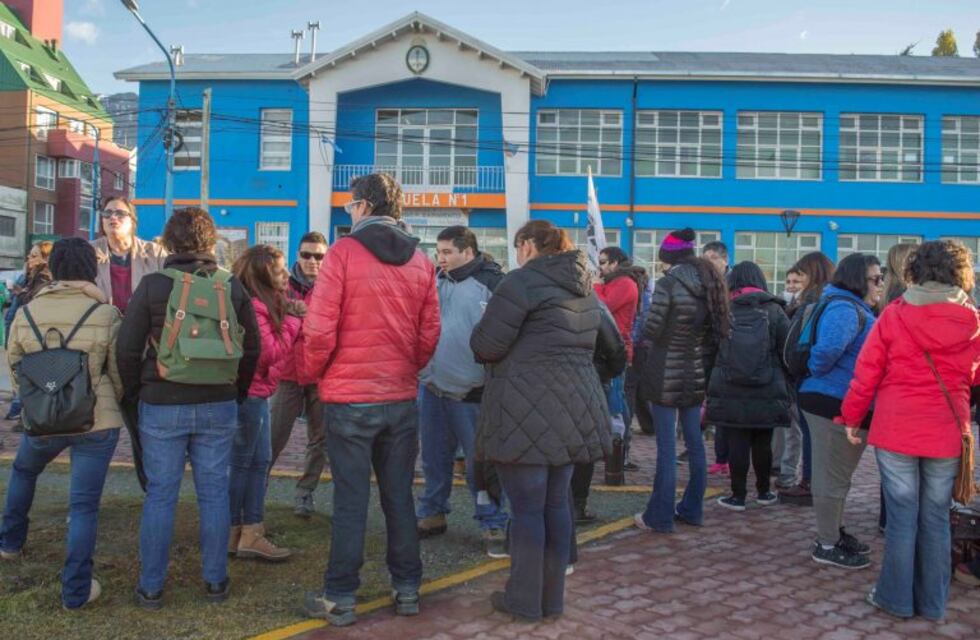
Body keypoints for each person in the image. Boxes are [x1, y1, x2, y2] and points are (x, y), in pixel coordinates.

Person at [300, 173, 440, 627]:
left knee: (350, 499)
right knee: (399, 496)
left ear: (362, 206)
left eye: (348, 206)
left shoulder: (342, 254)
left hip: (348, 396)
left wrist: (313, 373)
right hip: (399, 395)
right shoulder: (420, 261)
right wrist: (406, 367)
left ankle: (341, 595)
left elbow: (319, 331)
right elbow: (429, 333)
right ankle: (407, 588)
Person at [117, 207, 260, 608]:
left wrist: (135, 391)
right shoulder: (231, 286)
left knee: (161, 494)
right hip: (218, 401)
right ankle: (215, 581)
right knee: (214, 494)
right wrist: (237, 391)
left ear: (167, 242)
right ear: (210, 243)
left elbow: (126, 348)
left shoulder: (152, 286)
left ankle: (151, 586)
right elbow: (253, 348)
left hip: (162, 402)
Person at [470, 220, 610, 622]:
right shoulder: (584, 288)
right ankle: (551, 600)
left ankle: (524, 601)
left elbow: (485, 345)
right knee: (554, 506)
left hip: (524, 408)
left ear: (528, 245)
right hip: (573, 408)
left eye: (518, 246)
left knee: (528, 509)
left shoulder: (520, 283)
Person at [841, 240, 980, 620]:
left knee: (903, 517)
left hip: (897, 427)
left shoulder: (894, 314)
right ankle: (933, 604)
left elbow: (867, 372)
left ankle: (896, 599)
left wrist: (852, 417)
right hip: (947, 430)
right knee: (936, 517)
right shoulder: (973, 319)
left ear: (913, 271)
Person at [0, 238, 123, 609]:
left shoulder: (27, 312)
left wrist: (41, 396)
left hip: (42, 418)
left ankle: (9, 542)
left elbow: (15, 365)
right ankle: (75, 591)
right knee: (83, 506)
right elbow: (117, 374)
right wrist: (114, 398)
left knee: (23, 472)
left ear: (55, 270)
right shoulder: (106, 314)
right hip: (95, 420)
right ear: (92, 269)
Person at [416, 225, 509, 557]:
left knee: (480, 465)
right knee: (433, 458)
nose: (440, 258)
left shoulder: (493, 284)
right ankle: (432, 512)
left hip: (474, 394)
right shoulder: (435, 281)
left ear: (468, 252)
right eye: (438, 252)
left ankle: (492, 520)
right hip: (432, 388)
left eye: (447, 252)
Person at [634, 228, 730, 533]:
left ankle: (659, 516)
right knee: (696, 444)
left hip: (664, 371)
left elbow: (653, 328)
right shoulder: (710, 282)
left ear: (668, 258)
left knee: (665, 448)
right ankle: (692, 509)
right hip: (695, 372)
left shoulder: (669, 283)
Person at [799, 253, 882, 570]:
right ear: (858, 280)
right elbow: (826, 352)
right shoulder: (845, 309)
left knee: (838, 476)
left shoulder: (852, 308)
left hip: (841, 402)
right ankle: (826, 542)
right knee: (831, 477)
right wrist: (821, 371)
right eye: (875, 278)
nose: (879, 285)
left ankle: (833, 531)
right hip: (831, 402)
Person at [229, 245, 302, 561]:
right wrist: (294, 322)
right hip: (250, 396)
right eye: (279, 268)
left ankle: (246, 531)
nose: (286, 273)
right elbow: (268, 353)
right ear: (261, 275)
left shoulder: (259, 302)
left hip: (253, 393)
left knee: (256, 463)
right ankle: (239, 532)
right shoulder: (255, 307)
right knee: (246, 464)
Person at [706, 261, 791, 510]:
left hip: (729, 386)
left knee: (737, 441)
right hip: (767, 386)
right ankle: (764, 492)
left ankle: (738, 496)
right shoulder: (775, 310)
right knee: (763, 441)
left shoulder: (724, 310)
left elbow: (711, 348)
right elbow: (787, 349)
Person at [269, 231, 329, 518]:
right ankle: (254, 492)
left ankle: (305, 493)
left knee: (320, 439)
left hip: (320, 374)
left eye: (319, 256)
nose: (312, 261)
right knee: (273, 437)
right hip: (288, 372)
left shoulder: (332, 287)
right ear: (297, 255)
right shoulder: (280, 286)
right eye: (307, 255)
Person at [779, 251, 836, 505]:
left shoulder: (816, 301)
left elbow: (812, 344)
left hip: (809, 377)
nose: (796, 282)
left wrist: (805, 367)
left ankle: (810, 483)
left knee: (812, 436)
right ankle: (811, 481)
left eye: (801, 275)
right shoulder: (820, 300)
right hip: (809, 376)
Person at [593, 246, 645, 478]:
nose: (600, 267)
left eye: (603, 263)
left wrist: (594, 285)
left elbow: (604, 305)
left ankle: (619, 451)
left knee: (615, 402)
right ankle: (616, 450)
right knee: (614, 400)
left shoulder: (624, 283)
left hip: (616, 350)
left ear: (615, 263)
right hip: (608, 348)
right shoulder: (618, 281)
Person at [91, 196, 167, 314]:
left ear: (132, 220)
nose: (113, 217)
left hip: (143, 326)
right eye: (107, 213)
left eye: (120, 213)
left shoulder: (155, 253)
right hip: (101, 325)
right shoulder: (89, 252)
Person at [4, 241, 52, 425]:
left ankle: (26, 414)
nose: (29, 259)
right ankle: (22, 410)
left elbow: (33, 301)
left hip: (30, 331)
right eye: (29, 255)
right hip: (23, 328)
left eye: (34, 255)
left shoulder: (44, 276)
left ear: (45, 258)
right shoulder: (33, 275)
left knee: (26, 370)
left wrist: (18, 291)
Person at [772, 267, 804, 487]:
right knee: (783, 425)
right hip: (785, 375)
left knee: (794, 429)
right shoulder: (787, 306)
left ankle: (788, 471)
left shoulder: (804, 308)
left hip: (796, 375)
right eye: (789, 281)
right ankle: (779, 464)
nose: (791, 285)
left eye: (796, 281)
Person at [701, 240, 731, 475]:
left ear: (725, 260)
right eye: (704, 257)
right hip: (706, 350)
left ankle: (725, 454)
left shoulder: (732, 284)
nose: (707, 262)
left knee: (721, 402)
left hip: (727, 353)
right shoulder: (702, 284)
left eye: (711, 257)